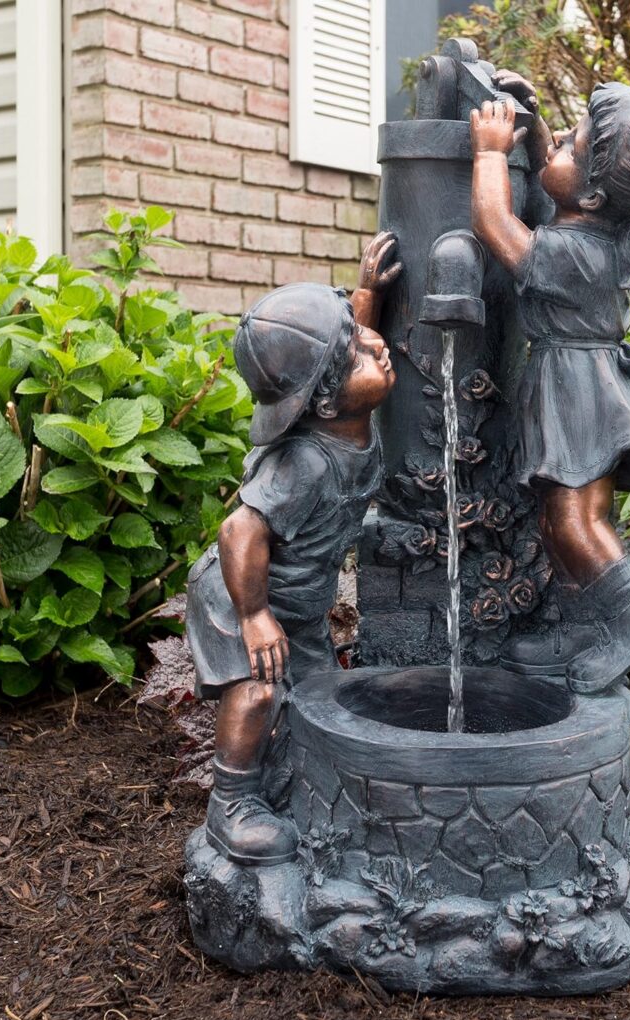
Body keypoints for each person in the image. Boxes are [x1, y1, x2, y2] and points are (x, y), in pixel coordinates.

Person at [470, 76, 630, 694]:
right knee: (561, 518)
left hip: (578, 393)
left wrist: (491, 152)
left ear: (595, 195)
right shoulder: (598, 233)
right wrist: (539, 121)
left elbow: (497, 225)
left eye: (571, 147)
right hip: (587, 386)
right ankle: (580, 626)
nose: (556, 151)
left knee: (574, 521)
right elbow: (557, 182)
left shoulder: (577, 253)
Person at [186, 233, 401, 866]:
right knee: (259, 691)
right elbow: (239, 532)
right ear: (327, 398)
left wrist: (366, 295)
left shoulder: (347, 422)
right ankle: (232, 804)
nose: (377, 344)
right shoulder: (306, 462)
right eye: (360, 350)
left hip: (294, 600)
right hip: (241, 596)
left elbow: (342, 348)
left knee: (318, 691)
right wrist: (255, 617)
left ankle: (293, 780)